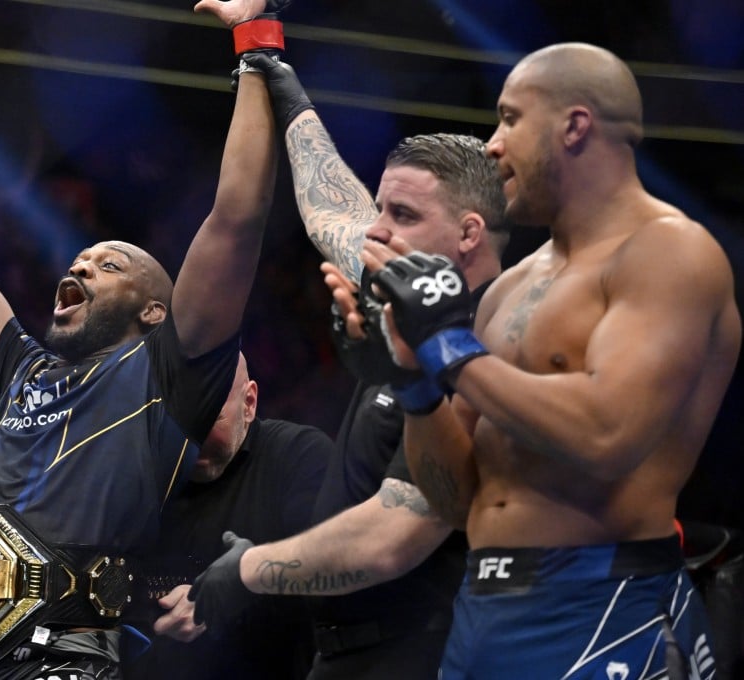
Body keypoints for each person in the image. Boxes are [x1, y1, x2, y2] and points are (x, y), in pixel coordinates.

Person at [0, 2, 279, 676]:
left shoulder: (166, 373)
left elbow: (236, 219)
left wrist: (256, 46)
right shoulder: (20, 367)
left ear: (155, 312)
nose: (80, 265)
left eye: (111, 266)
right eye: (80, 260)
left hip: (60, 660)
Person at [359, 42, 740, 678]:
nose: (492, 144)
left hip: (605, 604)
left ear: (575, 125)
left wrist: (448, 349)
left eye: (509, 117)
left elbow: (606, 434)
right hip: (485, 608)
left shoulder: (669, 253)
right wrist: (416, 379)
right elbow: (458, 502)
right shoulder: (510, 288)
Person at [188, 50, 509, 679]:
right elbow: (330, 208)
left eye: (404, 216)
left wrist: (253, 569)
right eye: (383, 210)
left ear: (468, 234)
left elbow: (397, 536)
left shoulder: (488, 344)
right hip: (351, 649)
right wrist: (274, 66)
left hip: (424, 647)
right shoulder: (406, 296)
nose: (377, 232)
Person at [122, 352, 334, 680]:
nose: (189, 441)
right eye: (175, 419)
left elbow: (336, 565)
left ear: (248, 403)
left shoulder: (297, 457)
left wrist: (249, 578)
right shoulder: (134, 476)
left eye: (209, 417)